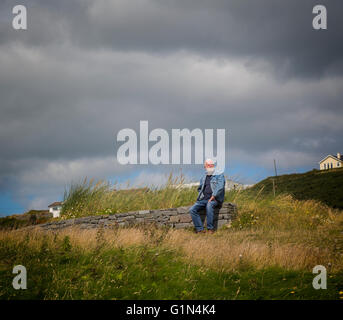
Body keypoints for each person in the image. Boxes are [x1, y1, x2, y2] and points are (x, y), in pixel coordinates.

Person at [189, 159, 225, 233]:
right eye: (206, 166)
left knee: (209, 205)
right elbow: (200, 188)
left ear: (212, 166)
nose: (206, 167)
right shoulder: (203, 177)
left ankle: (210, 229)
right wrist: (200, 197)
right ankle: (200, 229)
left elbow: (220, 187)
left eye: (208, 166)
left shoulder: (219, 175)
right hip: (204, 199)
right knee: (192, 209)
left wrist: (213, 196)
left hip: (215, 199)